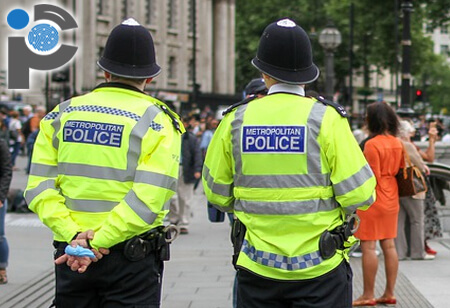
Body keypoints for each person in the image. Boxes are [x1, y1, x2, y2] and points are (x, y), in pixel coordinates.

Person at [202, 18, 376, 308]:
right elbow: (360, 193)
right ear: (307, 75)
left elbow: (217, 193)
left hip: (257, 266)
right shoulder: (326, 119)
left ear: (263, 72)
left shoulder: (235, 120)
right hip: (320, 266)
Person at [24, 18, 184, 307]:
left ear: (105, 71)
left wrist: (76, 238)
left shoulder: (60, 115)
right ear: (149, 78)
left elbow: (38, 189)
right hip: (130, 258)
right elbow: (149, 198)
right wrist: (99, 241)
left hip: (71, 253)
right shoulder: (157, 121)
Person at [352, 102, 404, 307]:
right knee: (389, 244)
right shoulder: (397, 142)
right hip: (392, 195)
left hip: (374, 197)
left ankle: (368, 295)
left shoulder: (371, 144)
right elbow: (400, 169)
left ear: (371, 120)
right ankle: (389, 293)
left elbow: (369, 175)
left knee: (369, 246)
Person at [395, 120, 435, 261]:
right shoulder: (407, 146)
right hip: (412, 188)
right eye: (411, 131)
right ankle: (417, 252)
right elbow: (421, 165)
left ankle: (400, 253)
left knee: (399, 221)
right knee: (417, 220)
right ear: (405, 132)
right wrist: (424, 167)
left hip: (397, 187)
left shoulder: (393, 144)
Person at [169, 117, 202, 235]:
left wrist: (198, 169)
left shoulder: (190, 138)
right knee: (171, 197)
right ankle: (174, 218)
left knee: (185, 197)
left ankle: (184, 222)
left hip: (186, 168)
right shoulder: (169, 135)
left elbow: (197, 154)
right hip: (171, 167)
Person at [0, 135, 12, 284]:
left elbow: (7, 172)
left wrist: (1, 197)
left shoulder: (1, 144)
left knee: (0, 236)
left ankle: (2, 269)